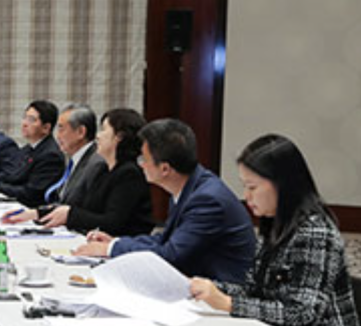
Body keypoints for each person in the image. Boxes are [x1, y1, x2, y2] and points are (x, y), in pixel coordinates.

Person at [189, 135, 361, 326]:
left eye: (252, 187)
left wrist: (228, 303)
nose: (246, 197)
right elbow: (253, 288)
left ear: (283, 185)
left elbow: (303, 315)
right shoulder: (277, 224)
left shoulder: (315, 232)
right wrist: (209, 289)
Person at [74, 118, 256, 282]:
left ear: (165, 169)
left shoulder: (207, 200)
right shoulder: (188, 186)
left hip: (222, 292)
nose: (141, 164)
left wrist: (109, 249)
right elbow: (165, 240)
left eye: (143, 159)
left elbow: (170, 255)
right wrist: (116, 242)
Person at [35, 108, 154, 237]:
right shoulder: (103, 169)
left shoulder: (129, 174)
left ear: (119, 137)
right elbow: (82, 207)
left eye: (104, 130)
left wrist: (70, 215)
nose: (98, 136)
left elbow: (112, 222)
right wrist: (39, 213)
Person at [0, 99, 65, 205]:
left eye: (31, 120)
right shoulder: (29, 148)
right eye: (25, 117)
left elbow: (31, 193)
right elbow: (14, 175)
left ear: (46, 128)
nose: (24, 123)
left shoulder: (51, 155)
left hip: (32, 209)